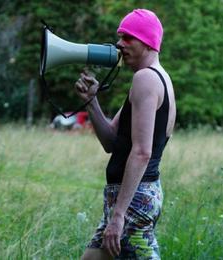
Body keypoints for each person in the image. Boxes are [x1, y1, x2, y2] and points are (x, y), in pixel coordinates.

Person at [75, 9, 176, 259]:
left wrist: (119, 214)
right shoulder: (153, 80)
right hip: (131, 197)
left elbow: (142, 152)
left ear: (148, 42)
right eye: (120, 37)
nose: (120, 44)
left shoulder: (146, 79)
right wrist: (91, 101)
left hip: (133, 200)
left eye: (128, 38)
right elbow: (112, 141)